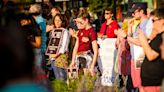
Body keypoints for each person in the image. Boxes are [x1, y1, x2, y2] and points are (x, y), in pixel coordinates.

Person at [0, 9, 48, 92]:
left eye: (23, 21)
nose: (22, 23)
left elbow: (38, 44)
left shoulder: (35, 29)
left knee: (38, 74)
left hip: (36, 53)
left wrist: (27, 42)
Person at [138, 8, 164, 92]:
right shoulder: (157, 37)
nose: (151, 23)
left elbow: (151, 56)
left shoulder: (161, 38)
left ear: (162, 21)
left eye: (153, 20)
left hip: (155, 83)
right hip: (149, 83)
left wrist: (143, 40)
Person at [49, 14, 70, 80]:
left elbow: (64, 47)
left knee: (62, 78)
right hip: (53, 57)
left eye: (59, 20)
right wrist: (51, 54)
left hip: (61, 56)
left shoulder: (65, 31)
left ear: (62, 21)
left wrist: (56, 55)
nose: (57, 22)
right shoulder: (53, 31)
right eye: (55, 20)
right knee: (57, 78)